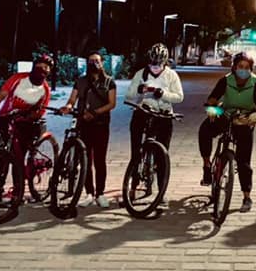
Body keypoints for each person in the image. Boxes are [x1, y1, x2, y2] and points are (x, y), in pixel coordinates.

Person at [199, 52, 256, 213]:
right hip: (225, 115)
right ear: (234, 67)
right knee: (204, 130)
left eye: (246, 67)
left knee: (244, 161)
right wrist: (211, 108)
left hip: (244, 119)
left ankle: (246, 196)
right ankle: (207, 165)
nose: (243, 70)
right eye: (240, 67)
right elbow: (213, 98)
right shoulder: (226, 80)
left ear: (251, 68)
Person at [61, 51, 117, 208]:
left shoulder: (109, 82)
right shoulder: (80, 81)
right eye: (91, 61)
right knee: (85, 160)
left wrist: (95, 113)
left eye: (97, 61)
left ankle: (100, 193)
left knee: (100, 160)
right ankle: (89, 193)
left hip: (100, 125)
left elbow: (111, 103)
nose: (94, 64)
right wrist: (68, 106)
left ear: (102, 63)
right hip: (83, 125)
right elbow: (73, 98)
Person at [0, 53, 53, 175]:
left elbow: (41, 112)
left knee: (18, 156)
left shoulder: (45, 90)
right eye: (40, 65)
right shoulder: (19, 78)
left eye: (46, 67)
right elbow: (2, 94)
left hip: (25, 122)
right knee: (1, 152)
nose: (43, 69)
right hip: (6, 117)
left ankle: (18, 188)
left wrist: (26, 116)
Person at [125, 42, 184, 170]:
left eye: (159, 64)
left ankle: (160, 178)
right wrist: (140, 90)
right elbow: (129, 95)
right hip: (143, 111)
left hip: (163, 114)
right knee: (136, 146)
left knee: (162, 153)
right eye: (152, 64)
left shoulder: (171, 75)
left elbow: (179, 97)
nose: (155, 67)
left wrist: (163, 94)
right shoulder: (141, 74)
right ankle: (134, 172)